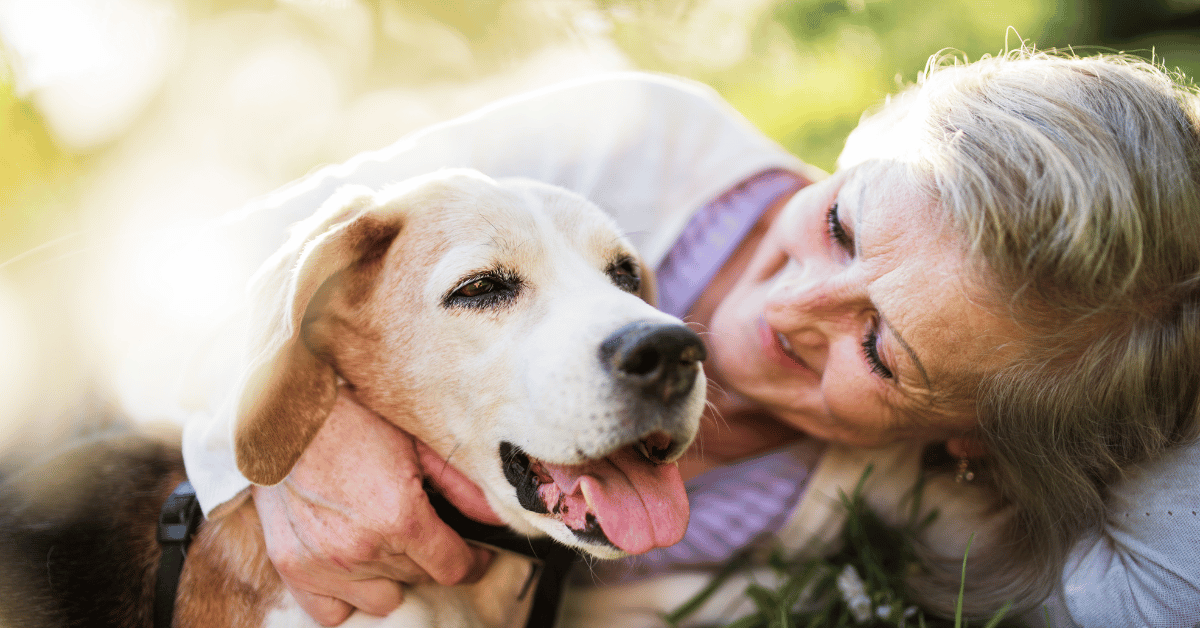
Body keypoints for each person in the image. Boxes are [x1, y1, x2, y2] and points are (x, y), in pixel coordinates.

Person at [178, 48, 1200, 627]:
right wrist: (284, 436)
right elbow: (166, 278)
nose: (783, 312)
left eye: (881, 351)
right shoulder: (637, 135)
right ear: (859, 145)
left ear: (973, 435)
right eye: (840, 222)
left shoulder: (934, 504)